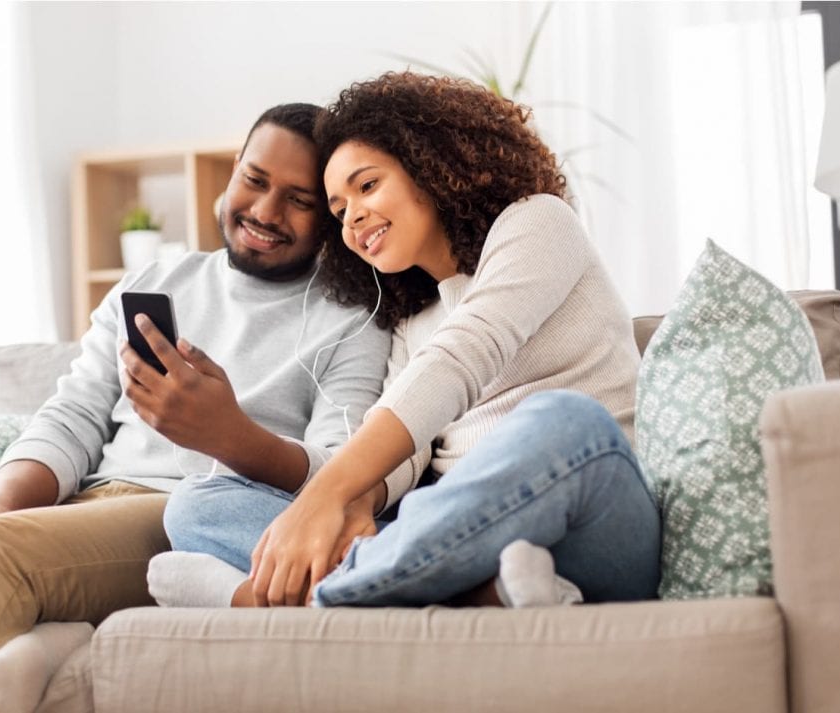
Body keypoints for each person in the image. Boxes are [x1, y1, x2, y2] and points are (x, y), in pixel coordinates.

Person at [0, 102, 391, 713]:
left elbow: (338, 476)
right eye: (254, 180)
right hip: (80, 499)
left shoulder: (354, 320)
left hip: (170, 515)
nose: (266, 212)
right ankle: (31, 629)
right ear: (233, 174)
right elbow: (73, 415)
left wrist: (228, 436)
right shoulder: (159, 279)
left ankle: (0, 594)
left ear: (328, 215)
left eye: (299, 200)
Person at [155, 72, 660, 611]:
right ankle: (466, 591)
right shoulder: (412, 317)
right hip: (475, 544)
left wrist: (324, 500)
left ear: (429, 168)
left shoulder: (538, 222)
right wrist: (359, 502)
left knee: (565, 421)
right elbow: (406, 456)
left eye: (367, 186)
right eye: (339, 210)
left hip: (590, 517)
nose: (354, 219)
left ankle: (326, 593)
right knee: (197, 504)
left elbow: (462, 356)